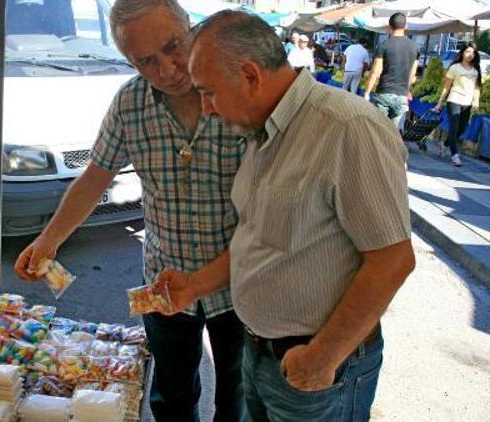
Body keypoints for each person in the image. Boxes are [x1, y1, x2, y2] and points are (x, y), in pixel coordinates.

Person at [157, 9, 416, 421]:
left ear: (250, 76)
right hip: (260, 355)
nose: (206, 108)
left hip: (319, 368)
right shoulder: (262, 130)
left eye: (209, 92)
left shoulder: (347, 127)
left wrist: (322, 357)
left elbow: (393, 260)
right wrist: (194, 285)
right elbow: (258, 237)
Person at [13, 1, 247, 421]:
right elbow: (94, 178)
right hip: (163, 278)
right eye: (146, 61)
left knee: (239, 394)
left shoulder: (235, 91)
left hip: (240, 278)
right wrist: (49, 240)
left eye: (172, 46)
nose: (167, 69)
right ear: (128, 61)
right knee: (172, 394)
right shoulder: (129, 104)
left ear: (190, 29)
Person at [363, 12, 419, 127]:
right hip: (402, 96)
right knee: (394, 135)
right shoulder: (415, 47)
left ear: (389, 27)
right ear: (406, 26)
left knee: (379, 131)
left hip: (384, 93)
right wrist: (405, 91)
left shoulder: (384, 45)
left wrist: (367, 93)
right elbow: (412, 75)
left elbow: (375, 72)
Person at [433, 42, 482, 167]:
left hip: (467, 103)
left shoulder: (475, 69)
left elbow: (477, 87)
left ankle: (444, 144)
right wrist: (439, 103)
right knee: (454, 128)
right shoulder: (454, 68)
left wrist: (476, 101)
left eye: (472, 52)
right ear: (462, 53)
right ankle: (455, 155)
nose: (470, 54)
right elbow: (446, 88)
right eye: (467, 52)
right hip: (454, 100)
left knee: (462, 129)